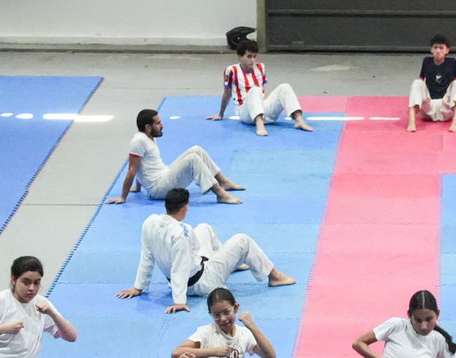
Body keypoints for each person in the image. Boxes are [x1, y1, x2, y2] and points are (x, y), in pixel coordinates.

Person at [117, 187, 295, 314]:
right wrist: (179, 301)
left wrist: (138, 287)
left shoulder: (150, 222)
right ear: (185, 208)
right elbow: (180, 267)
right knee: (243, 240)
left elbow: (146, 256)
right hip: (201, 282)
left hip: (189, 273)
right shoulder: (181, 232)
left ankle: (233, 263)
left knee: (204, 227)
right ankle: (274, 277)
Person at [107, 109, 243, 205]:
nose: (162, 126)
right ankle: (220, 194)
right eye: (158, 123)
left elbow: (141, 165)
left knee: (196, 150)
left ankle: (223, 181)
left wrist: (138, 187)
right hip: (158, 189)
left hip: (164, 176)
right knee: (192, 159)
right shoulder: (138, 141)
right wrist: (123, 197)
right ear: (148, 127)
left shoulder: (149, 137)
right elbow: (132, 170)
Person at [211, 38, 313, 136]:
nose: (252, 60)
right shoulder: (231, 70)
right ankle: (259, 124)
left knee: (285, 87)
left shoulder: (261, 67)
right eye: (249, 56)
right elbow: (227, 93)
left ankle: (298, 120)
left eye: (254, 56)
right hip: (245, 112)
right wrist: (221, 114)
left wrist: (267, 105)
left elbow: (263, 90)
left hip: (263, 109)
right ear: (239, 56)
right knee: (255, 90)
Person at [407, 34, 456, 133]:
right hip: (428, 108)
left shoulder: (452, 62)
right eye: (435, 47)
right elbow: (419, 88)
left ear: (447, 50)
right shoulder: (426, 61)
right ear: (431, 49)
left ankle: (455, 122)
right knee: (417, 82)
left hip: (446, 108)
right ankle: (411, 121)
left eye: (441, 48)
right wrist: (415, 105)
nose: (438, 51)